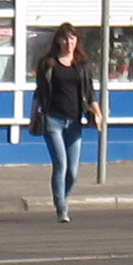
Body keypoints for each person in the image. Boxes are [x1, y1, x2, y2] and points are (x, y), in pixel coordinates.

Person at [31, 23, 102, 224]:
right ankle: (61, 207)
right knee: (60, 164)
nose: (69, 43)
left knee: (73, 170)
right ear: (58, 41)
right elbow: (39, 93)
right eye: (65, 39)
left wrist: (98, 113)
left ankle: (63, 196)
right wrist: (33, 117)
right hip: (52, 119)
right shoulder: (48, 63)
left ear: (76, 41)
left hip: (74, 122)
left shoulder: (82, 65)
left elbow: (89, 92)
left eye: (72, 39)